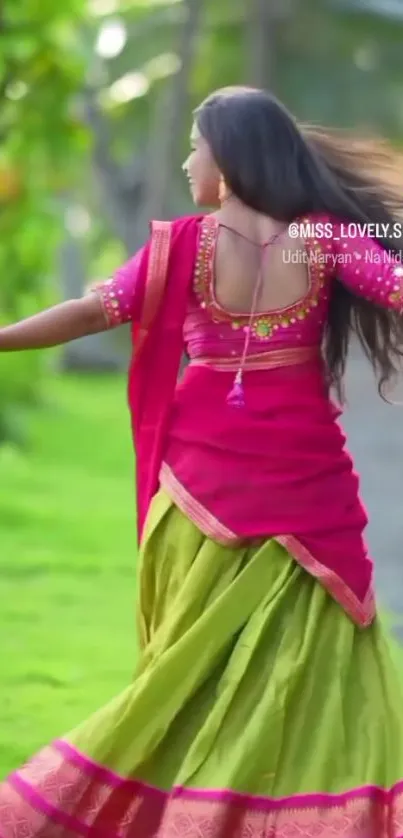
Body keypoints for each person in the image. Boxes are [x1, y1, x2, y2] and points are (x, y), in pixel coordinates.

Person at [1, 86, 403, 838]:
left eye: (198, 146)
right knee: (306, 670)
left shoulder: (182, 244)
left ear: (230, 158)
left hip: (198, 496)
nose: (190, 162)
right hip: (299, 493)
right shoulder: (317, 239)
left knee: (184, 671)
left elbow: (93, 310)